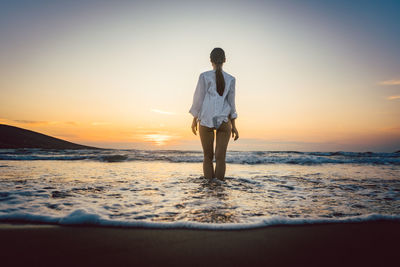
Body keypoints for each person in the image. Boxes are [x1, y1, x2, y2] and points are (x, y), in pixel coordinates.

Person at [189, 47, 239, 181]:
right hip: (224, 121)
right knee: (221, 158)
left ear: (210, 60)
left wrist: (194, 119)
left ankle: (209, 190)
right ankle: (220, 190)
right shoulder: (231, 79)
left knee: (207, 157)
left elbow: (198, 99)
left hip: (205, 118)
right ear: (224, 60)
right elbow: (231, 103)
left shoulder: (204, 76)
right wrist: (233, 125)